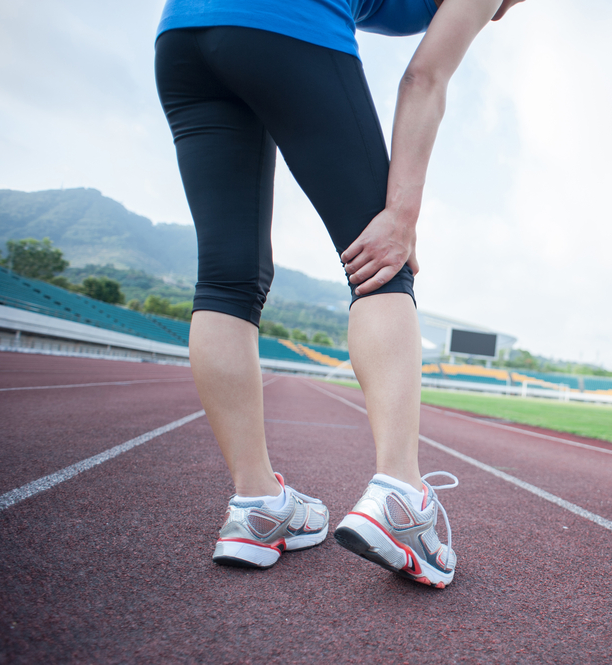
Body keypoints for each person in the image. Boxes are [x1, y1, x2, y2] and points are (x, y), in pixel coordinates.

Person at [154, 0, 524, 588]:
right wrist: (401, 216)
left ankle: (256, 506)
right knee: (383, 262)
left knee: (226, 281)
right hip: (284, 20)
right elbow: (424, 78)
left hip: (183, 37)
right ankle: (401, 496)